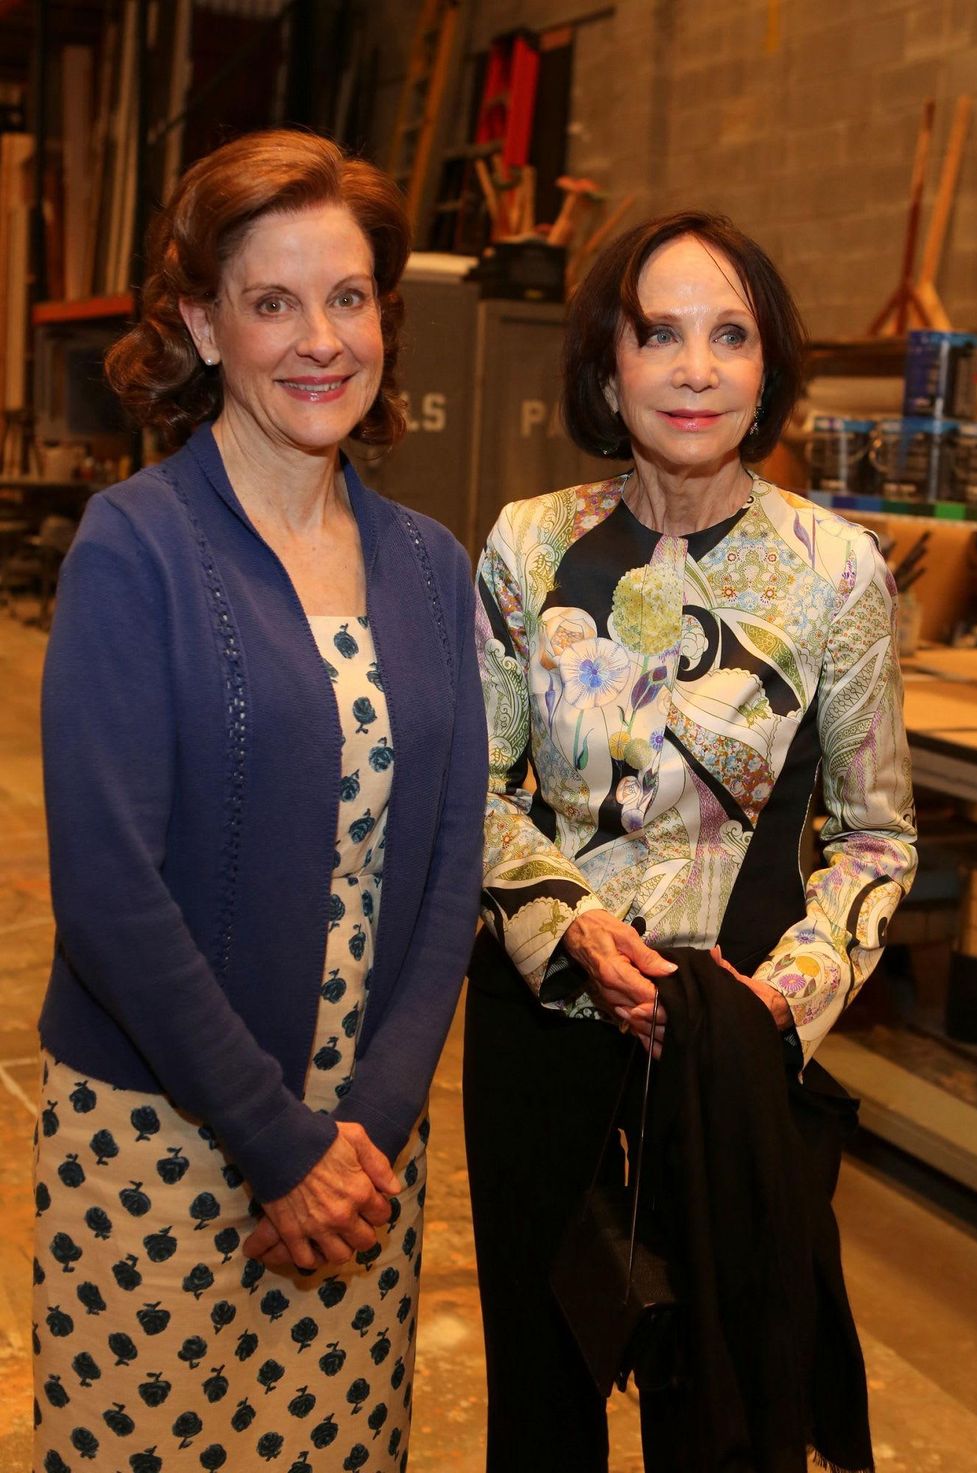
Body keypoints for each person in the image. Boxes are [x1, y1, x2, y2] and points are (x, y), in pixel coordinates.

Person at [33, 129, 487, 1473]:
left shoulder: (429, 566)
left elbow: (454, 852)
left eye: (346, 298)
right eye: (271, 301)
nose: (319, 340)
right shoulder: (137, 547)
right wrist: (275, 1143)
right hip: (164, 1138)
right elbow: (111, 891)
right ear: (200, 322)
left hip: (365, 1152)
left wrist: (367, 1128)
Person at [465, 211, 917, 1471]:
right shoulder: (526, 543)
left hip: (729, 1060)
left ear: (767, 366)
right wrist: (568, 928)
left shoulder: (834, 571)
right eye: (657, 332)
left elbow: (876, 840)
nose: (694, 366)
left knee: (721, 1415)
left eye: (729, 334)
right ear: (606, 366)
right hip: (542, 1037)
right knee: (541, 1409)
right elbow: (472, 793)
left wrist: (778, 1003)